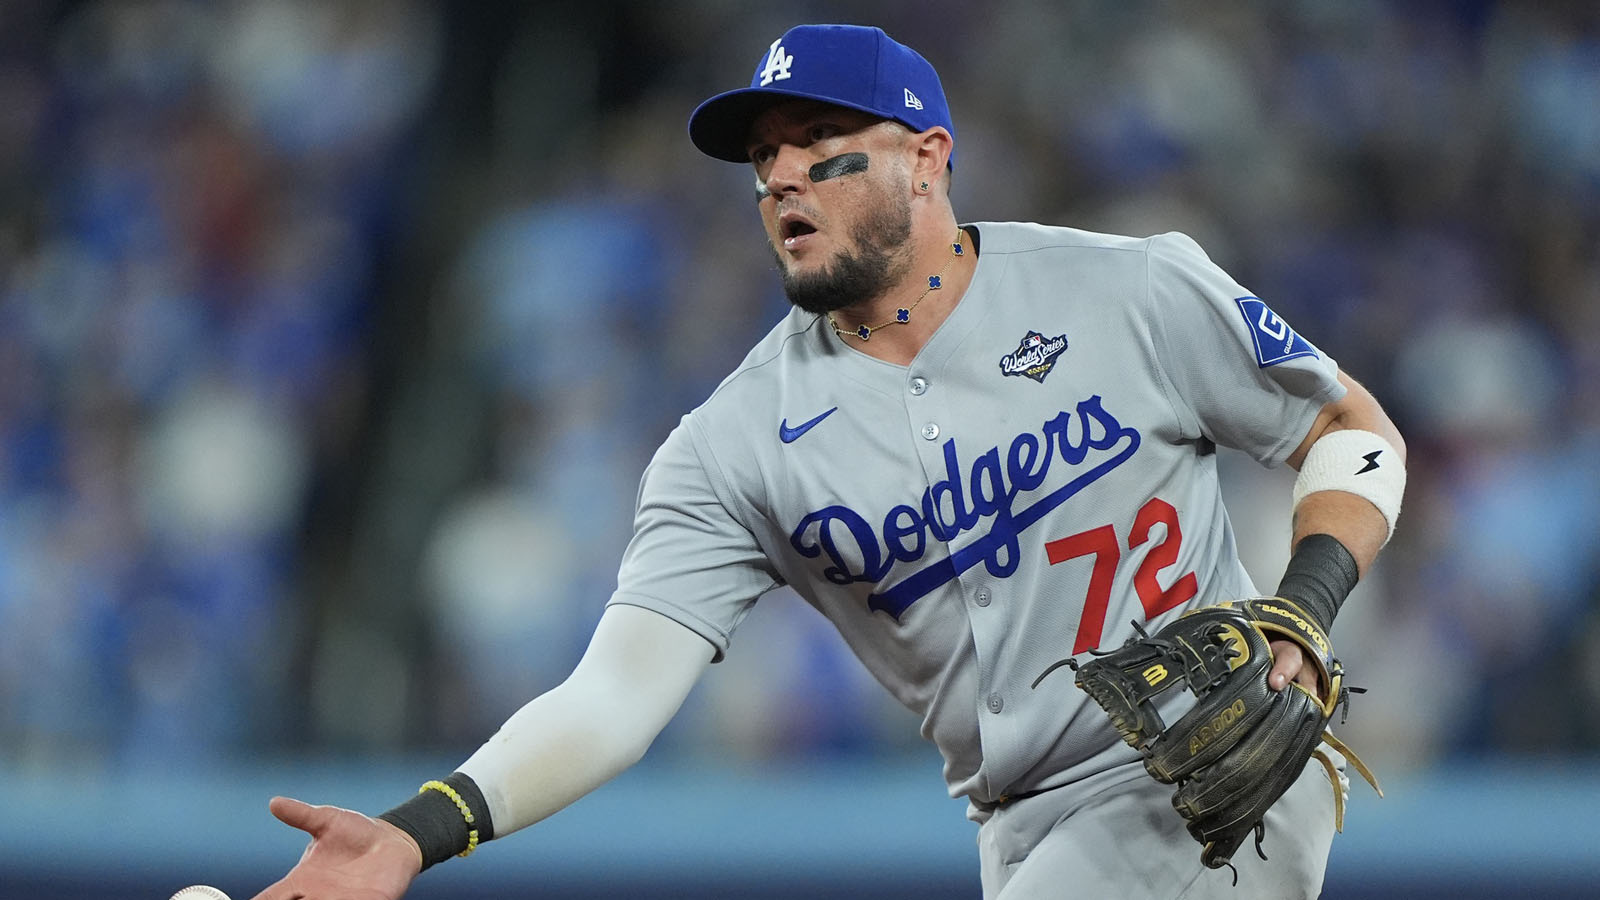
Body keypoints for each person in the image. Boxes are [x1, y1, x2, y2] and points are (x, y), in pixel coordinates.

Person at [248, 23, 1406, 900]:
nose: (781, 179)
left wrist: (1303, 609)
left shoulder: (1129, 287)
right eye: (763, 158)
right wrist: (418, 829)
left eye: (821, 147)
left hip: (1199, 771)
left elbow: (1349, 429)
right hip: (1016, 831)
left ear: (927, 160)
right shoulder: (732, 442)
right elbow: (612, 697)